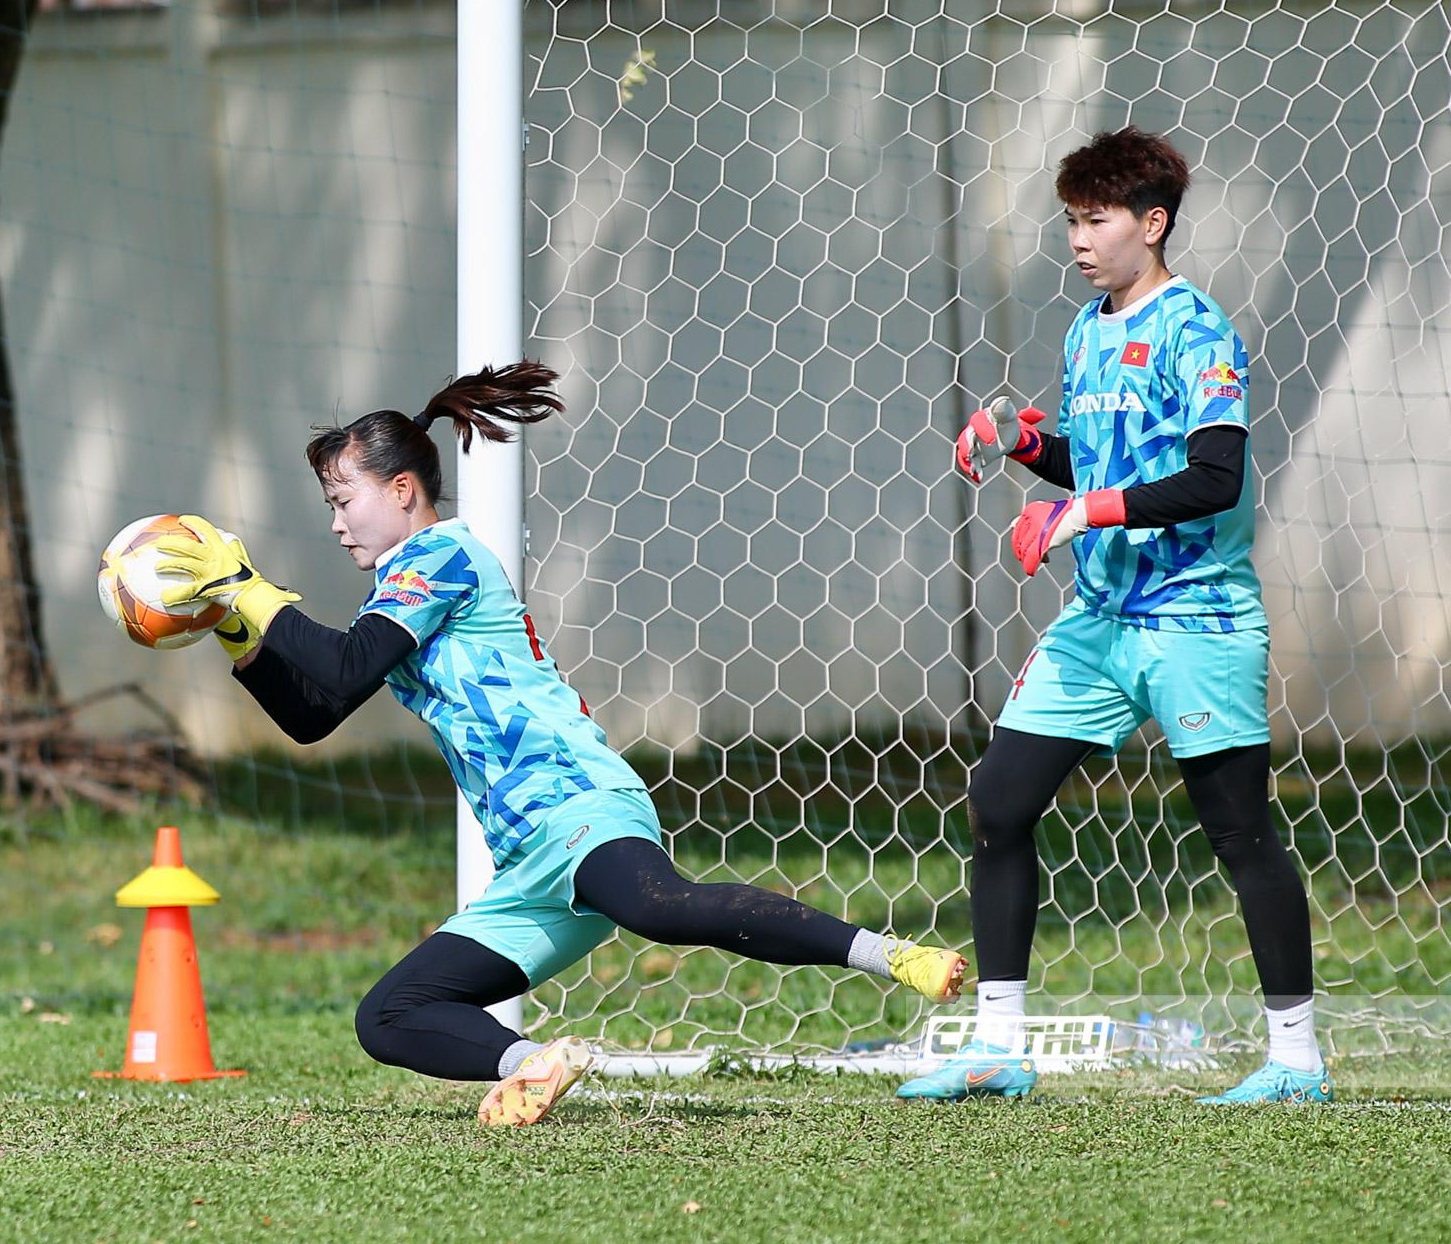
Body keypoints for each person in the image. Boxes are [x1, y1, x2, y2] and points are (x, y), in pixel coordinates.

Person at [155, 360, 968, 1127]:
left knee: (658, 906)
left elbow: (348, 660)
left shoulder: (443, 558)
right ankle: (536, 1062)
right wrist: (236, 629)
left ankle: (887, 954)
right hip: (532, 863)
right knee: (390, 1016)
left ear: (402, 490)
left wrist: (248, 588)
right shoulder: (396, 584)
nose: (336, 525)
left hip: (577, 799)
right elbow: (317, 712)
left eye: (345, 500)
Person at [899, 127, 1325, 1105]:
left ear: (1154, 223)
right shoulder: (1088, 327)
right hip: (1099, 619)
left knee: (1239, 829)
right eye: (1072, 221)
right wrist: (1017, 439)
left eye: (1097, 221)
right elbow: (1090, 462)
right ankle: (1000, 1044)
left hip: (1196, 617)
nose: (1079, 239)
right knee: (1001, 800)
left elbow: (1215, 478)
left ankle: (1296, 1059)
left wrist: (1080, 511)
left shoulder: (1199, 328)